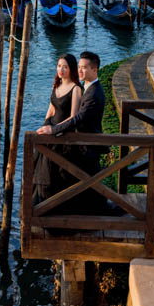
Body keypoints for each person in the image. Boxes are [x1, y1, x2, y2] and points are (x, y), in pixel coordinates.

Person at [37, 51, 113, 214]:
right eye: (79, 67)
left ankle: (70, 211)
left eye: (84, 68)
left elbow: (77, 118)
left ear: (95, 69)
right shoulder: (86, 87)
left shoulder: (93, 93)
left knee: (81, 182)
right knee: (78, 181)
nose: (80, 71)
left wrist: (53, 130)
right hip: (79, 140)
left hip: (87, 144)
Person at [32, 54, 82, 204]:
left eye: (65, 67)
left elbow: (73, 117)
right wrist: (44, 125)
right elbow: (51, 108)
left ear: (71, 69)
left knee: (53, 169)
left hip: (62, 133)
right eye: (59, 66)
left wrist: (55, 129)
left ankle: (50, 202)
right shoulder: (56, 85)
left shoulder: (76, 89)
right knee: (39, 164)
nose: (61, 69)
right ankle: (39, 201)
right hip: (50, 130)